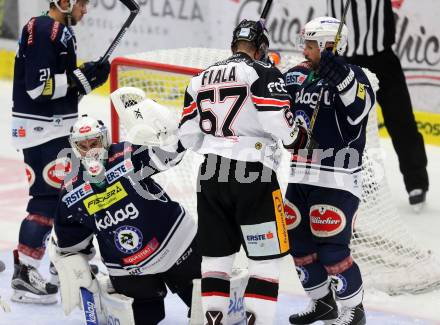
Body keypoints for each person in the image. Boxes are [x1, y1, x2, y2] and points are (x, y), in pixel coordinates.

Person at [178, 19, 301, 325]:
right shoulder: (262, 71)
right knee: (266, 261)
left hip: (210, 175)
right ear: (261, 48)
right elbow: (283, 130)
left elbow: (188, 137)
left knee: (216, 260)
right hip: (253, 175)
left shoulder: (199, 79)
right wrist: (298, 136)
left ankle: (213, 320)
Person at [51, 115, 201, 325]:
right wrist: (75, 270)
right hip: (128, 268)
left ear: (105, 139)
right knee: (144, 316)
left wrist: (170, 136)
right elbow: (71, 241)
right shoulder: (70, 190)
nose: (90, 150)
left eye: (94, 142)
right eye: (83, 145)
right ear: (74, 148)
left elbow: (169, 156)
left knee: (206, 307)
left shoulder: (126, 155)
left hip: (176, 245)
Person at [10, 0, 110, 304]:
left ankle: (64, 263)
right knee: (46, 199)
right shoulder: (45, 29)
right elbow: (38, 89)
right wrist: (82, 78)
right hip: (43, 130)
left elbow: (59, 86)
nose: (85, 9)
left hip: (49, 127)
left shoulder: (54, 30)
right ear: (64, 2)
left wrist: (85, 80)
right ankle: (25, 274)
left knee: (68, 196)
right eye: (82, 3)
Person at [283, 16, 375, 325]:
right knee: (297, 243)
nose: (303, 49)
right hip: (299, 174)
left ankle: (354, 310)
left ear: (329, 46)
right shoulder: (296, 75)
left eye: (310, 44)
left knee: (332, 247)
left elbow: (360, 111)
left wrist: (344, 79)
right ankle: (322, 303)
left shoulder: (355, 75)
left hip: (337, 176)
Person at [328, 0, 429, 212]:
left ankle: (416, 181)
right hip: (345, 59)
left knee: (401, 120)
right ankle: (352, 181)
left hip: (381, 56)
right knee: (342, 125)